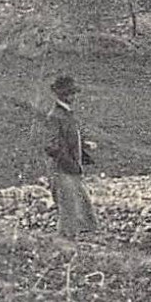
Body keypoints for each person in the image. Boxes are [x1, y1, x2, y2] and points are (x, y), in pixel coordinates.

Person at [44, 75, 98, 236]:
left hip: (71, 167)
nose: (73, 96)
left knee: (82, 205)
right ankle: (65, 243)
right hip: (62, 169)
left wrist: (84, 145)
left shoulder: (67, 114)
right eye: (70, 93)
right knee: (68, 207)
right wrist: (70, 164)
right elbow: (51, 146)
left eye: (73, 93)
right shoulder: (55, 116)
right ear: (62, 95)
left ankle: (81, 238)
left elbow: (69, 138)